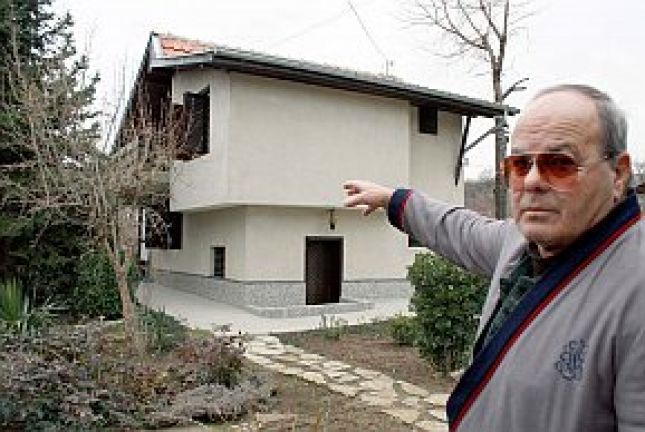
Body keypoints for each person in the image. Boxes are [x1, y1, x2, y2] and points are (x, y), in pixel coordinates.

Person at [343, 84, 644, 432]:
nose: (532, 181)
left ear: (618, 174)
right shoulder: (519, 244)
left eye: (560, 164)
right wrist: (394, 200)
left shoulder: (634, 287)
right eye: (520, 164)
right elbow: (460, 229)